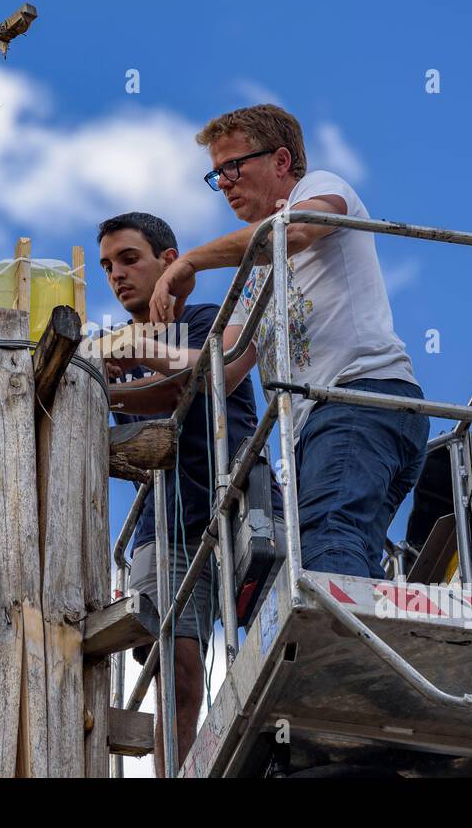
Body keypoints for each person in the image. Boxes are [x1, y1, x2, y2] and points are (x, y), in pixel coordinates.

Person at [148, 104, 429, 580]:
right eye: (217, 174)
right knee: (334, 553)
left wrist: (191, 260)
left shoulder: (321, 187)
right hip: (320, 427)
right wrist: (135, 354)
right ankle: (364, 651)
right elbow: (225, 368)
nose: (226, 182)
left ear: (281, 161)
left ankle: (342, 654)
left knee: (327, 546)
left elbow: (295, 231)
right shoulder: (254, 275)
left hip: (359, 400)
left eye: (234, 165)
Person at [98, 210, 262, 776]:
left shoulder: (203, 321)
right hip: (163, 527)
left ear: (169, 261)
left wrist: (109, 375)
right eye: (107, 266)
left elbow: (186, 382)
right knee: (180, 670)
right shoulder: (106, 359)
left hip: (235, 504)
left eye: (129, 258)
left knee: (276, 648)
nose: (116, 275)